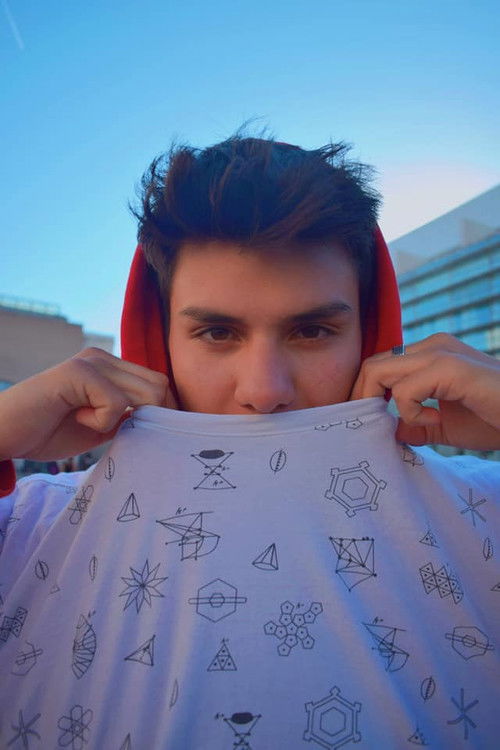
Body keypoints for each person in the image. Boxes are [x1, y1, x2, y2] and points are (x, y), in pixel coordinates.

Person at [0, 135, 498, 749]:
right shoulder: (30, 524)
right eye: (217, 333)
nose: (264, 391)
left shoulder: (485, 507)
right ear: (158, 343)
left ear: (370, 335)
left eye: (313, 331)